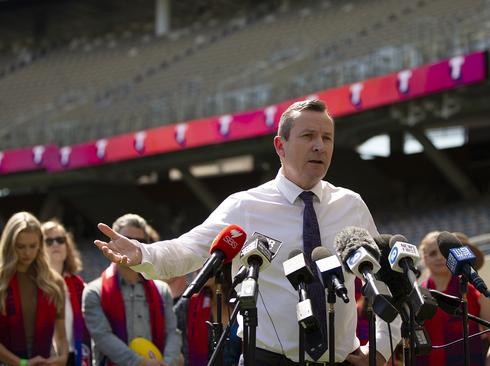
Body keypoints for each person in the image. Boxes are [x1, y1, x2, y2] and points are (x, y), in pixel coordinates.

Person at [93, 99, 401, 365]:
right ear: (280, 146)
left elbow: (386, 283)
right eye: (308, 136)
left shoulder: (351, 205)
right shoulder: (245, 206)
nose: (320, 145)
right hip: (267, 360)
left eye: (327, 137)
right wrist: (143, 253)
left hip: (340, 360)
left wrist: (382, 348)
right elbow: (190, 250)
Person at [82, 214, 181, 366]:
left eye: (140, 242)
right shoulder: (94, 291)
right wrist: (140, 363)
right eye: (125, 238)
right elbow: (103, 337)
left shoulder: (162, 290)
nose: (131, 245)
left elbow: (172, 333)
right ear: (111, 242)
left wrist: (167, 363)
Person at [418, 231, 490, 366]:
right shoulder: (417, 295)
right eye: (433, 253)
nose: (439, 257)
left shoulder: (473, 293)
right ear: (424, 258)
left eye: (443, 252)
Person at [0, 212, 69, 366]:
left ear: (40, 244)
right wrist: (21, 363)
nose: (27, 253)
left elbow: (61, 335)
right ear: (9, 245)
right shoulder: (2, 282)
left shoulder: (54, 282)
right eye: (20, 246)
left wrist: (62, 357)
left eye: (33, 246)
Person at [43, 220, 91, 366]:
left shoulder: (80, 286)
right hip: (47, 357)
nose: (56, 244)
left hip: (77, 355)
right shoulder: (32, 285)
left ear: (67, 246)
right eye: (49, 241)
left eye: (60, 240)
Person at [174, 265, 241, 366]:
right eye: (198, 266)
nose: (199, 269)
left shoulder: (241, 301)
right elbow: (168, 328)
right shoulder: (191, 303)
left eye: (205, 263)